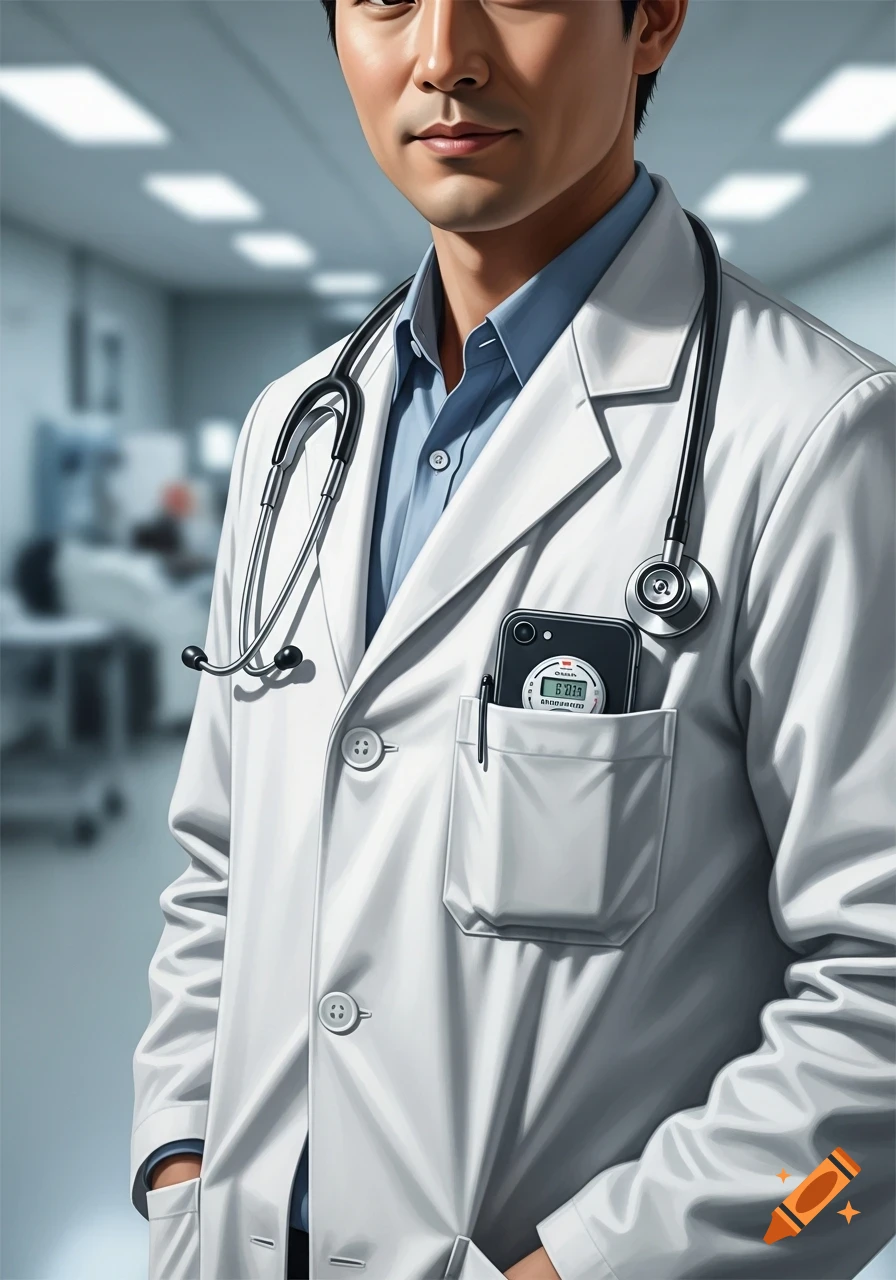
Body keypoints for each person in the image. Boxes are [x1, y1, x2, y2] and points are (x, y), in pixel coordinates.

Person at [131, 2, 895, 1278]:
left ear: (649, 21)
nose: (442, 56)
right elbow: (219, 862)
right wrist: (178, 1160)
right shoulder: (294, 432)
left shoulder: (815, 437)